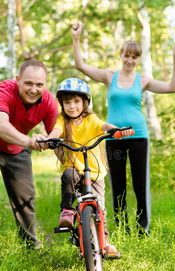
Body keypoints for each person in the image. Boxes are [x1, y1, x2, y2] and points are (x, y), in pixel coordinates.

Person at [72, 22, 175, 235]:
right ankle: (122, 228)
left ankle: (143, 228)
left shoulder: (143, 80)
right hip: (114, 138)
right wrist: (76, 38)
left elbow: (172, 88)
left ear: (138, 58)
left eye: (135, 57)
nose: (130, 60)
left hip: (139, 136)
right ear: (121, 55)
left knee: (140, 183)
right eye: (127, 55)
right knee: (118, 184)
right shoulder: (109, 76)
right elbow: (81, 66)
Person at [0, 59, 59, 256]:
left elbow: (56, 133)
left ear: (45, 84)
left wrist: (47, 140)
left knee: (26, 199)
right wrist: (29, 142)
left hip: (17, 147)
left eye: (39, 84)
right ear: (18, 80)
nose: (33, 89)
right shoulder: (2, 90)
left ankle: (32, 250)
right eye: (28, 83)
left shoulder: (49, 102)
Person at [44, 78, 131, 256]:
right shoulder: (62, 120)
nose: (72, 106)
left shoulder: (91, 119)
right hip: (75, 168)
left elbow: (103, 126)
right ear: (62, 104)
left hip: (95, 172)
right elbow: (56, 131)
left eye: (76, 101)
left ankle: (104, 243)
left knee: (100, 208)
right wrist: (51, 138)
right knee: (67, 174)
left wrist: (116, 130)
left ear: (85, 102)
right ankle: (67, 211)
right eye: (67, 102)